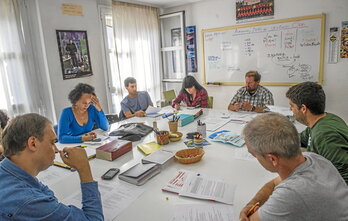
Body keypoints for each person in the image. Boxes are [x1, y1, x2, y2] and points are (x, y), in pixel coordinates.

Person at [240, 113, 348, 221]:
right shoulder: (314, 158)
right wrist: (251, 204)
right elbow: (273, 184)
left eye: (254, 155)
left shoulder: (291, 194)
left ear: (272, 159)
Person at [0, 113, 103, 220]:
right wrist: (84, 169)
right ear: (33, 143)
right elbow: (93, 219)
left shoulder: (8, 170)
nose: (57, 150)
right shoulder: (28, 201)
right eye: (52, 142)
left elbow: (47, 195)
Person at [286, 81, 348, 184]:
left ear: (303, 108)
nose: (290, 109)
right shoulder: (321, 120)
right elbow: (301, 139)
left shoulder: (324, 135)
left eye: (292, 106)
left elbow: (343, 177)